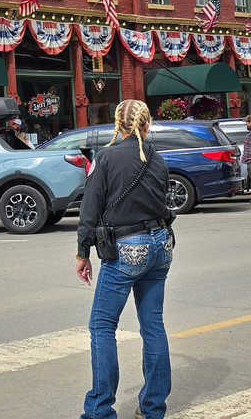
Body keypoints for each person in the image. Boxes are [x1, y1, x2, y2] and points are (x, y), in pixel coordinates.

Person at [76, 99, 174, 419]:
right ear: (146, 125)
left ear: (118, 125)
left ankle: (100, 411)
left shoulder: (106, 157)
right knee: (153, 326)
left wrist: (83, 252)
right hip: (160, 245)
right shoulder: (157, 158)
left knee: (102, 326)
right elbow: (164, 203)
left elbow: (90, 209)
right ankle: (153, 408)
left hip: (128, 247)